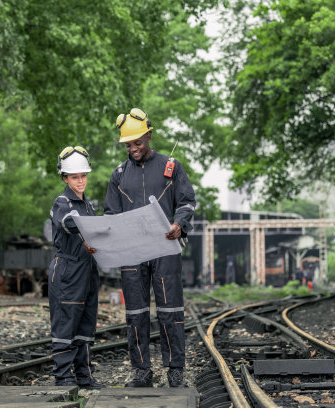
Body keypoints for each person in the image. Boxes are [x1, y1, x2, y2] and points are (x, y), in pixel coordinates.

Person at [104, 108, 196, 388]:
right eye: (128, 144)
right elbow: (110, 214)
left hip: (164, 249)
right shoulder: (118, 175)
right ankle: (142, 371)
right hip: (132, 253)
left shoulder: (171, 167)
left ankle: (175, 370)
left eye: (138, 143)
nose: (133, 148)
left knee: (170, 310)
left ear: (149, 135)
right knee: (135, 312)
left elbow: (187, 202)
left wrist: (180, 223)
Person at [47, 146, 102, 389]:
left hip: (87, 271)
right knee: (65, 325)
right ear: (65, 178)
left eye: (83, 176)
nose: (80, 181)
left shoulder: (87, 205)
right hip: (68, 270)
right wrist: (91, 231)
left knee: (84, 326)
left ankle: (84, 376)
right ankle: (64, 378)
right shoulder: (62, 202)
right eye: (75, 177)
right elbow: (68, 223)